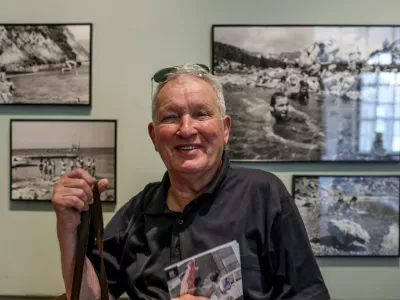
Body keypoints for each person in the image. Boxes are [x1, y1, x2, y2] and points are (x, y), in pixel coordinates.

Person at [52, 63, 331, 300]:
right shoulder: (137, 213)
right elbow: (90, 295)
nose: (186, 129)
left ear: (225, 130)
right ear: (153, 136)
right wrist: (68, 229)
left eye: (201, 114)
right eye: (171, 117)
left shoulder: (264, 195)